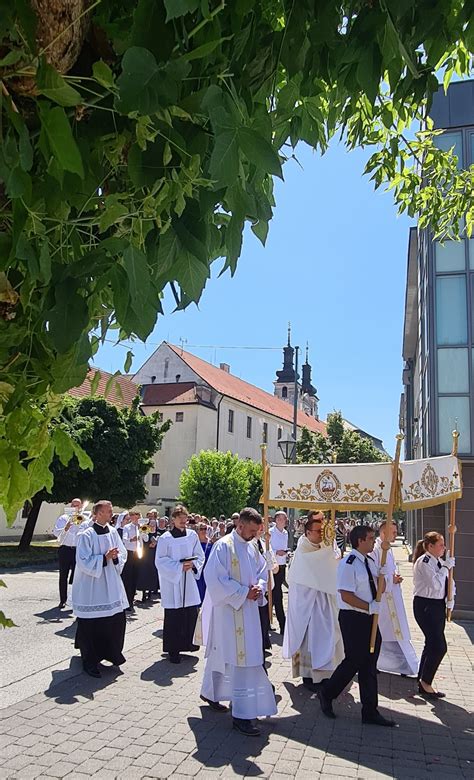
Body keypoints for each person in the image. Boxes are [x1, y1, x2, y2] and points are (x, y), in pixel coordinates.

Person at [200, 507, 277, 736]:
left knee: (230, 656)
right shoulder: (224, 546)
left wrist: (260, 588)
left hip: (249, 612)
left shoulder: (252, 546)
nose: (254, 535)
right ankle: (242, 715)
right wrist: (244, 593)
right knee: (237, 659)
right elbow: (213, 578)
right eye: (251, 530)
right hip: (229, 612)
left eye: (257, 531)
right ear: (240, 525)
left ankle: (211, 692)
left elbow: (264, 572)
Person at [317, 525, 396, 727]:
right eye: (370, 538)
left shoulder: (370, 561)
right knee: (354, 660)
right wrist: (369, 606)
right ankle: (327, 693)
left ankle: (370, 710)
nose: (373, 541)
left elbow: (380, 589)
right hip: (354, 617)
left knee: (370, 664)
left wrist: (383, 576)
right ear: (360, 541)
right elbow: (346, 594)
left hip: (370, 618)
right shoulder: (349, 563)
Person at [283, 512, 344, 692]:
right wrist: (329, 559)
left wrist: (332, 555)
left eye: (322, 531)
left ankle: (326, 674)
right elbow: (309, 573)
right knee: (307, 640)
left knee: (327, 636)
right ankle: (307, 676)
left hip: (325, 602)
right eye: (317, 531)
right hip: (307, 605)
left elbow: (333, 565)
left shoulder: (326, 545)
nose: (320, 534)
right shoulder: (303, 550)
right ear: (308, 532)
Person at [71, 500, 128, 678]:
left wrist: (116, 557)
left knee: (115, 620)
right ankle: (90, 661)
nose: (111, 514)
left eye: (111, 511)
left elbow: (123, 552)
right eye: (108, 511)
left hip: (110, 583)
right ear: (97, 513)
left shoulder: (112, 532)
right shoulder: (86, 535)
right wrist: (104, 558)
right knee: (91, 624)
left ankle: (111, 653)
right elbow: (83, 561)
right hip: (92, 587)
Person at [155, 505, 205, 664]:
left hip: (188, 579)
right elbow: (160, 561)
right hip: (173, 582)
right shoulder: (165, 538)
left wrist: (194, 565)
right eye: (180, 518)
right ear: (173, 520)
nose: (183, 521)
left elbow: (199, 555)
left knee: (190, 613)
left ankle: (189, 645)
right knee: (174, 616)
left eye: (185, 518)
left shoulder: (192, 536)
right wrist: (178, 567)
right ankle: (173, 650)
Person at [372, 521, 418, 676]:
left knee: (395, 633)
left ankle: (403, 665)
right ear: (383, 532)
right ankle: (375, 663)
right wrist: (390, 579)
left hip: (392, 597)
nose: (396, 534)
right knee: (382, 632)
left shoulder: (388, 549)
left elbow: (389, 572)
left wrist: (394, 578)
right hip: (383, 600)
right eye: (393, 532)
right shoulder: (376, 550)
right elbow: (375, 575)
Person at [413, 531, 455, 698]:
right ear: (430, 546)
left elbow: (447, 583)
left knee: (431, 643)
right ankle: (426, 682)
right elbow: (436, 584)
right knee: (439, 646)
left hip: (437, 605)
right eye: (440, 545)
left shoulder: (438, 561)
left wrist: (450, 599)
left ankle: (422, 679)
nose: (443, 548)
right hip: (426, 605)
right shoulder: (424, 562)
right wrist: (446, 567)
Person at [52, 498, 84, 608]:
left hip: (77, 550)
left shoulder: (82, 518)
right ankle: (63, 600)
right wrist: (65, 528)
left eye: (78, 506)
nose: (75, 508)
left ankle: (74, 599)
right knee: (63, 575)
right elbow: (56, 532)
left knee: (77, 576)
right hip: (65, 549)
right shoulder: (63, 518)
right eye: (74, 505)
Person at [254, 524, 278, 654]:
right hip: (255, 586)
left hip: (266, 586)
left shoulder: (265, 545)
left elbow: (275, 568)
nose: (261, 529)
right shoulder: (249, 545)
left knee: (264, 618)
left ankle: (263, 642)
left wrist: (270, 561)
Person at [269, 510, 288, 634]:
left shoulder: (286, 533)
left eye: (285, 519)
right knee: (276, 594)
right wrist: (276, 552)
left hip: (282, 565)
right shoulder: (270, 533)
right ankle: (282, 623)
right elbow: (268, 548)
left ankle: (270, 620)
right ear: (276, 520)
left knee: (275, 594)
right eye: (281, 519)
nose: (284, 521)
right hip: (273, 566)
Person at [121, 511, 142, 611]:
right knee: (127, 578)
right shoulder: (127, 527)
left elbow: (145, 539)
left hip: (138, 554)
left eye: (138, 517)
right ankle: (126, 601)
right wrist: (132, 539)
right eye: (134, 517)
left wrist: (143, 532)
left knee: (135, 578)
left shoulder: (142, 527)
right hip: (129, 553)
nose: (136, 519)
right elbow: (124, 540)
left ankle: (131, 600)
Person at [137, 513, 159, 602]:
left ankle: (150, 593)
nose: (152, 526)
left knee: (152, 574)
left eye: (154, 524)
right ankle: (143, 594)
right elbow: (142, 538)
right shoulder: (144, 529)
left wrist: (155, 543)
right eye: (151, 524)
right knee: (144, 573)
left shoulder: (158, 533)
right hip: (145, 555)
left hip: (153, 556)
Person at [196, 522, 213, 603]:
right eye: (201, 529)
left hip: (207, 569)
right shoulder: (194, 542)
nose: (203, 531)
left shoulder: (210, 542)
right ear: (198, 530)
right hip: (197, 569)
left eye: (205, 529)